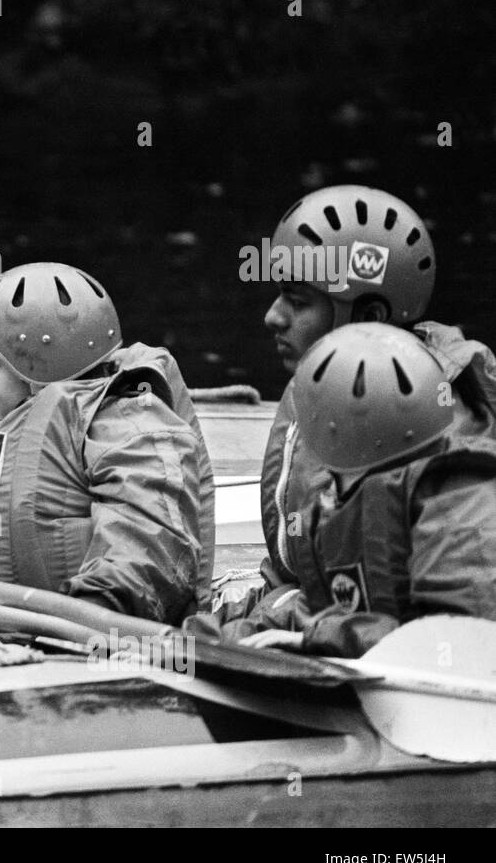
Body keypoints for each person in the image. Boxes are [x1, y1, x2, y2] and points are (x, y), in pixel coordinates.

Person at [191, 185, 496, 636]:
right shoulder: (322, 390)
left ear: (370, 317)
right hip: (324, 623)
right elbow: (300, 582)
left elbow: (462, 636)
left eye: (297, 301)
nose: (272, 317)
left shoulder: (442, 432)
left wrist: (308, 635)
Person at [0, 263, 213, 624]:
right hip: (11, 632)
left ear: (39, 371)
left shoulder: (129, 428)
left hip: (98, 634)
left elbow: (147, 538)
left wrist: (97, 607)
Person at [235, 323, 496, 657]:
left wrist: (325, 639)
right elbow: (312, 614)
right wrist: (199, 639)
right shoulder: (335, 504)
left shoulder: (460, 498)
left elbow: (461, 643)